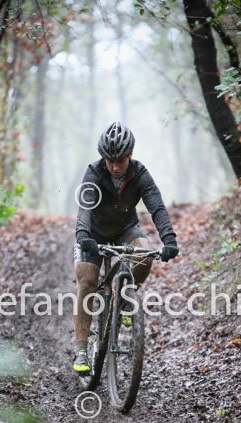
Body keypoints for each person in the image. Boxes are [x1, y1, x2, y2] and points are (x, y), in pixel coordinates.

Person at [73, 121, 179, 373]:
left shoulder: (140, 173)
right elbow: (85, 207)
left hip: (125, 229)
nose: (114, 166)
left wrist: (169, 240)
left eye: (119, 160)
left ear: (130, 154)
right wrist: (83, 235)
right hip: (93, 232)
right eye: (109, 160)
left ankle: (123, 298)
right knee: (87, 281)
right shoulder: (94, 172)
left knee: (145, 253)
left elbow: (156, 207)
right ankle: (81, 351)